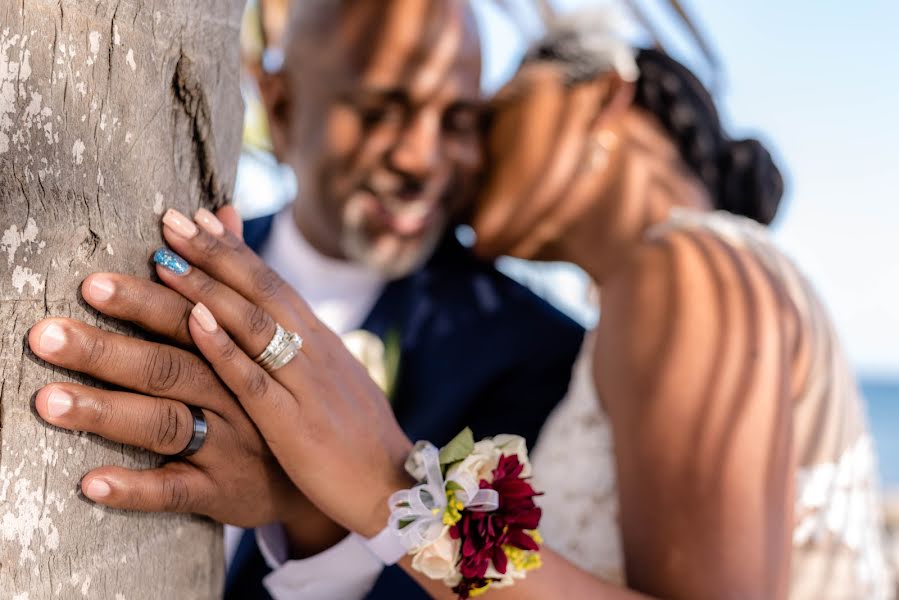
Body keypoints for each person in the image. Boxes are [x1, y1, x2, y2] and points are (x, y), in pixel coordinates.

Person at [105, 17, 896, 600]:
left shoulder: (688, 269)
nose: (452, 159)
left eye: (484, 115)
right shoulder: (649, 305)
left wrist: (394, 494)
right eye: (384, 110)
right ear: (278, 105)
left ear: (604, 99)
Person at [25, 1, 583, 598]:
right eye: (380, 111)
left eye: (457, 119)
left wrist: (315, 516)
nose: (421, 158)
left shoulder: (533, 352)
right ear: (283, 107)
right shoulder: (158, 259)